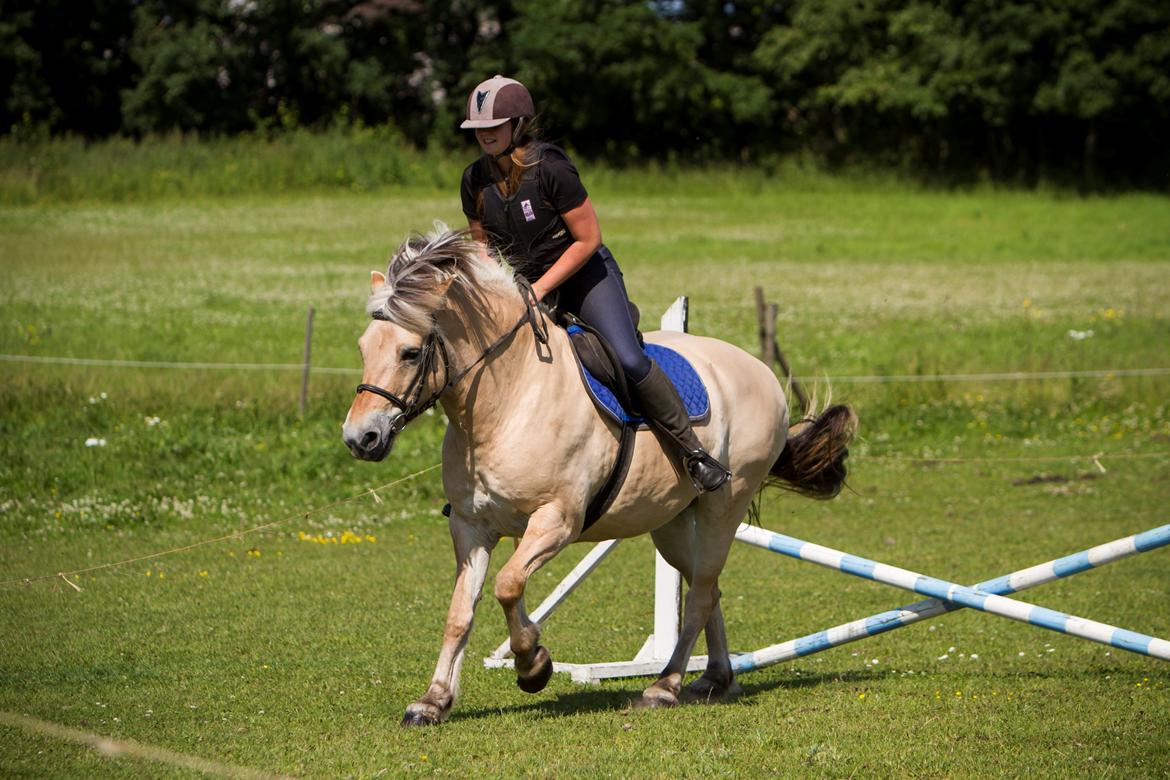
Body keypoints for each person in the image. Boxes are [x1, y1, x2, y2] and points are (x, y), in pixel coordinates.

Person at [459, 75, 730, 493]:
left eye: (494, 125)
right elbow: (483, 251)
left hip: (584, 275)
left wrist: (541, 288)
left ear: (518, 124)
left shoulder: (551, 167)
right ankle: (485, 485)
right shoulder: (473, 180)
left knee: (627, 358)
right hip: (523, 285)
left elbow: (588, 239)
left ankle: (692, 453)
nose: (485, 134)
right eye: (479, 128)